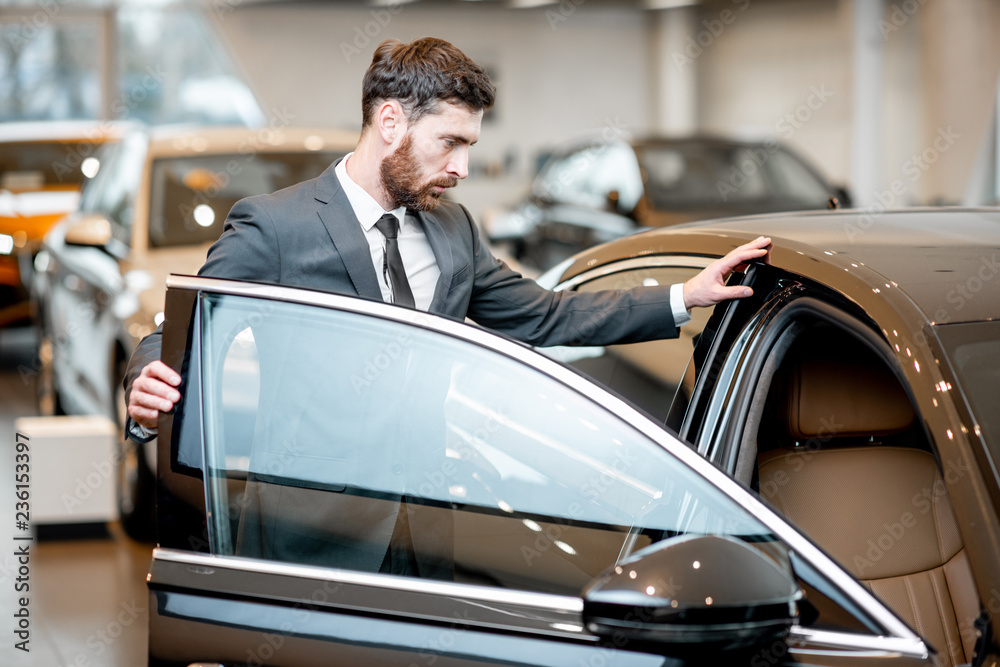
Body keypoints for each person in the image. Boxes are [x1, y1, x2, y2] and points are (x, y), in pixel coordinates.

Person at [122, 37, 769, 576]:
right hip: (308, 532)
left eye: (470, 147)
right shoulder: (276, 226)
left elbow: (546, 316)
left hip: (429, 522)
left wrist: (686, 295)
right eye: (450, 142)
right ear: (391, 122)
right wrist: (145, 380)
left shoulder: (451, 228)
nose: (462, 167)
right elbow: (189, 322)